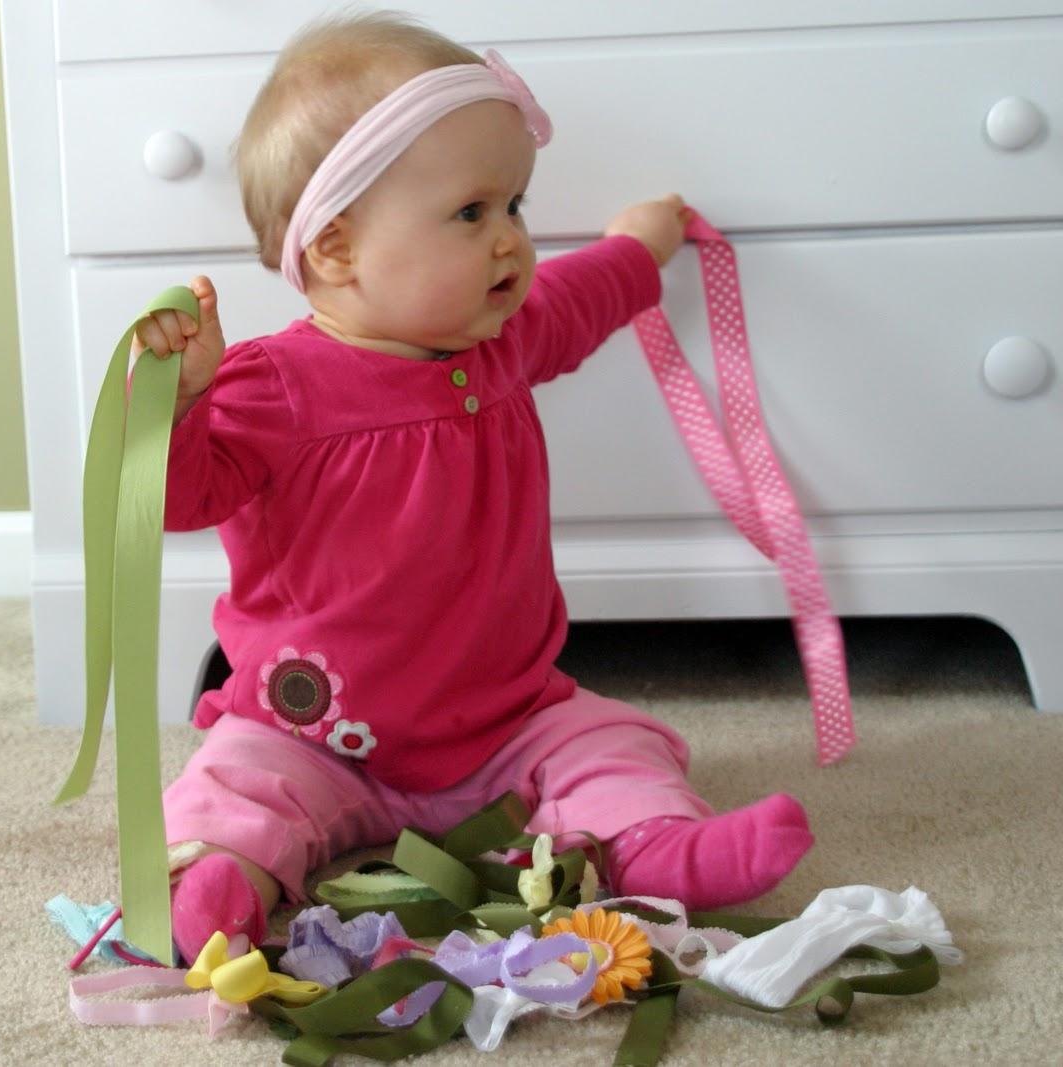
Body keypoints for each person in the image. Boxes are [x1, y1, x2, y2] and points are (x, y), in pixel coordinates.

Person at [129, 11, 813, 966]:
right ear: (335, 250)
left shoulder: (501, 341)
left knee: (613, 742)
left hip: (506, 719)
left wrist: (639, 246)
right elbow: (179, 497)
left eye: (515, 209)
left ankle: (661, 847)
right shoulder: (273, 386)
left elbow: (580, 299)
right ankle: (214, 885)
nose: (511, 243)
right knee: (234, 781)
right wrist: (183, 402)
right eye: (472, 213)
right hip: (313, 728)